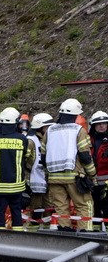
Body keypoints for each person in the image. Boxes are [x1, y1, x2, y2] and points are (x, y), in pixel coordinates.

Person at [45, 98, 96, 232]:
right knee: (85, 204)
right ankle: (86, 232)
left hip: (54, 177)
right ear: (76, 115)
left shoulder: (50, 131)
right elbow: (85, 155)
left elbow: (43, 156)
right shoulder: (78, 130)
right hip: (74, 176)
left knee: (61, 207)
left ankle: (65, 231)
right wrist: (92, 174)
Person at [0, 107, 31, 230]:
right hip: (16, 184)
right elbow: (26, 157)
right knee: (16, 212)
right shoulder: (22, 139)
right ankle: (18, 238)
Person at [25, 113, 53, 229]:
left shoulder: (47, 140)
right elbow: (23, 161)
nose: (49, 129)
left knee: (49, 208)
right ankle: (33, 233)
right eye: (47, 127)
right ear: (40, 128)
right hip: (35, 181)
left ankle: (48, 231)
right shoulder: (31, 141)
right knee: (36, 210)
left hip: (46, 180)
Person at [89, 111, 108, 221]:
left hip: (106, 182)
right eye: (98, 123)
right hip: (92, 182)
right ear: (94, 125)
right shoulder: (87, 139)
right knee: (94, 209)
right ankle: (96, 231)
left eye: (104, 123)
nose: (101, 126)